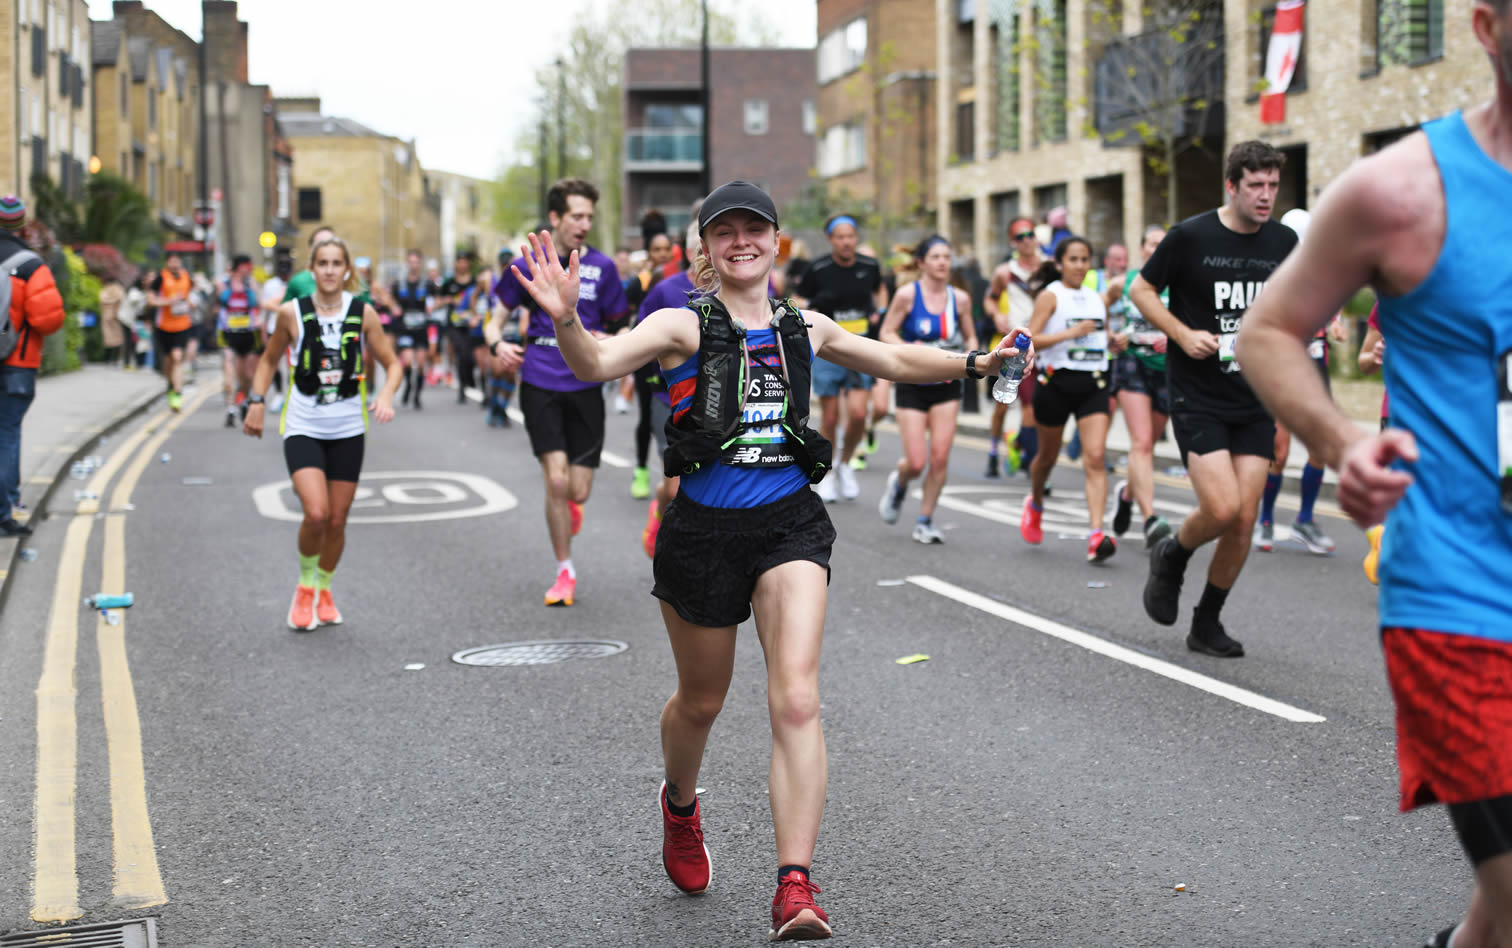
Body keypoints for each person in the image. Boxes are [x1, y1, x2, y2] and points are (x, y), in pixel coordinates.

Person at [507, 179, 1030, 942]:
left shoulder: (806, 326)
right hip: (703, 532)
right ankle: (680, 805)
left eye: (755, 228)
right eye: (725, 231)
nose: (741, 240)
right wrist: (565, 319)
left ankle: (794, 883)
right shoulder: (680, 323)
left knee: (796, 698)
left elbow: (892, 359)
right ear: (707, 249)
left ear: (777, 242)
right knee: (702, 702)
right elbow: (596, 363)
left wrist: (978, 362)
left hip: (790, 523)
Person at [1240, 8, 1512, 943]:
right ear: (1486, 25)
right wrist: (1341, 440)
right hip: (1463, 593)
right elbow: (1269, 330)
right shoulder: (1401, 191)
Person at [1131, 140, 1297, 658]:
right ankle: (1172, 553)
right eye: (1256, 185)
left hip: (1255, 397)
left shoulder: (1284, 242)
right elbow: (1140, 291)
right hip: (1199, 394)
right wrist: (1181, 334)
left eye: (1272, 185)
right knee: (1222, 508)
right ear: (1232, 185)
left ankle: (1206, 622)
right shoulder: (1190, 237)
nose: (1266, 195)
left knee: (1245, 517)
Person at [244, 235, 401, 630]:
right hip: (303, 425)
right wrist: (257, 401)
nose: (330, 270)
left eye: (337, 263)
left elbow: (392, 363)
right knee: (316, 513)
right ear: (311, 270)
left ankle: (325, 587)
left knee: (337, 521)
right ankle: (304, 587)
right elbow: (267, 362)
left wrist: (385, 393)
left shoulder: (362, 312)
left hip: (349, 427)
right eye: (323, 263)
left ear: (347, 270)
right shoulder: (290, 313)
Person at [485, 177, 627, 606]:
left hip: (586, 383)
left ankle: (569, 507)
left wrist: (611, 337)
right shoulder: (530, 264)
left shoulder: (603, 269)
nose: (584, 224)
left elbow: (623, 325)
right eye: (576, 216)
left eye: (589, 216)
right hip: (540, 379)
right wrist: (498, 343)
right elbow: (494, 319)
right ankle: (565, 570)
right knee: (557, 479)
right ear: (556, 218)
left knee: (577, 490)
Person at [1253, 207, 1347, 555]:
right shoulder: (1269, 275)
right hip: (1281, 366)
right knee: (1278, 449)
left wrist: (1334, 324)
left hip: (1315, 361)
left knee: (1320, 446)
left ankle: (1304, 519)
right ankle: (1265, 519)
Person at [1017, 237, 1118, 562]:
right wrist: (1069, 334)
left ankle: (1096, 534)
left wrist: (1114, 341)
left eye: (1085, 259)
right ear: (1060, 263)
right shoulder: (1051, 296)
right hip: (1056, 384)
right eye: (1073, 259)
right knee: (1046, 459)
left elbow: (1100, 336)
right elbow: (1030, 340)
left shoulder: (1096, 299)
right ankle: (1035, 503)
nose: (1079, 265)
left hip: (1093, 384)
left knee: (1095, 457)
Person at [876, 235, 976, 544]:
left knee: (941, 456)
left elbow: (971, 338)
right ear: (921, 263)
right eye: (935, 257)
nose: (943, 262)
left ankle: (925, 520)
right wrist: (911, 349)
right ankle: (900, 483)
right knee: (916, 461)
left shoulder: (959, 299)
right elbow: (886, 332)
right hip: (913, 384)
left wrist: (969, 356)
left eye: (946, 256)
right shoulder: (907, 295)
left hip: (947, 383)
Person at [794, 214, 888, 503]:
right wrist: (812, 312)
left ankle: (846, 463)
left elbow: (880, 290)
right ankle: (829, 471)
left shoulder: (869, 266)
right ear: (831, 240)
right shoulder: (818, 269)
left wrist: (879, 312)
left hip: (860, 346)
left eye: (850, 236)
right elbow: (797, 298)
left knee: (860, 414)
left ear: (856, 238)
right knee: (831, 416)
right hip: (829, 349)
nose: (846, 241)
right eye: (840, 236)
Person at [1106, 226, 1175, 549]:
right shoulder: (1125, 282)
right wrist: (1110, 336)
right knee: (1142, 443)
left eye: (1163, 244)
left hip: (1167, 370)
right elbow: (1099, 308)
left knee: (1150, 445)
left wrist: (1174, 334)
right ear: (1142, 248)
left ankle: (1127, 494)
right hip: (1132, 364)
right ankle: (1150, 519)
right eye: (1152, 244)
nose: (1157, 249)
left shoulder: (1181, 284)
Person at [0, 196, 64, 538]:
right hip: (17, 363)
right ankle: (4, 513)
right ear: (22, 226)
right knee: (6, 434)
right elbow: (48, 320)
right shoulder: (30, 265)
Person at [984, 217, 1044, 477]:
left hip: (1042, 343)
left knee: (1034, 407)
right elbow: (990, 300)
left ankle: (1026, 453)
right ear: (1013, 242)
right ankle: (994, 451)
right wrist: (996, 314)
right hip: (1015, 344)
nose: (1026, 240)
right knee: (1003, 405)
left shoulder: (1049, 267)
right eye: (1020, 237)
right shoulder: (1004, 272)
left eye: (1030, 234)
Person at [626, 229, 677, 498]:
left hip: (675, 358)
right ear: (649, 254)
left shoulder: (680, 279)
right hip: (647, 359)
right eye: (656, 250)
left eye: (665, 249)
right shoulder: (643, 281)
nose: (661, 254)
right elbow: (630, 308)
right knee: (647, 416)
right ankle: (642, 470)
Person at [1356, 303, 1387, 584]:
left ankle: (1383, 536)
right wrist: (1376, 355)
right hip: (1402, 414)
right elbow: (1363, 361)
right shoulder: (1389, 304)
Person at [215, 255, 262, 427]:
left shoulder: (252, 285)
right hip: (229, 334)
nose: (248, 269)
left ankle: (243, 401)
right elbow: (218, 303)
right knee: (230, 370)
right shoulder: (223, 284)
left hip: (248, 334)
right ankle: (230, 408)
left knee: (246, 376)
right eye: (245, 266)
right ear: (237, 267)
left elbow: (259, 304)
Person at [391, 249, 438, 410]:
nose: (414, 265)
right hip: (405, 328)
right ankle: (408, 386)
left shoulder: (428, 284)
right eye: (411, 262)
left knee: (422, 363)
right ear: (407, 263)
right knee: (408, 361)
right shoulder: (399, 283)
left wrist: (433, 308)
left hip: (421, 328)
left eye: (416, 262)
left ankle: (417, 394)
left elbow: (437, 300)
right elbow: (390, 300)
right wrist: (394, 308)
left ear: (420, 264)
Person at [147, 252, 194, 412]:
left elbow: (188, 296)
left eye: (177, 261)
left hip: (182, 325)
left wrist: (190, 304)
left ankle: (177, 393)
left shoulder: (186, 277)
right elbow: (151, 300)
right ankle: (171, 384)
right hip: (164, 326)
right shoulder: (160, 279)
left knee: (178, 357)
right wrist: (168, 302)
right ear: (167, 262)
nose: (175, 264)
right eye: (172, 261)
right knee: (168, 362)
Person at [441, 251, 483, 404]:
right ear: (456, 263)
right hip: (454, 324)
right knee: (460, 353)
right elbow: (439, 299)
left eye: (466, 262)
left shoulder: (474, 282)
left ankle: (470, 379)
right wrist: (448, 300)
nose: (463, 264)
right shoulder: (449, 282)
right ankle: (462, 389)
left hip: (471, 324)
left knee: (471, 356)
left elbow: (481, 297)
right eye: (460, 261)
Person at [98, 274, 127, 367]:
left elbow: (101, 301)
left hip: (106, 317)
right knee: (118, 339)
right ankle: (114, 359)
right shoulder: (119, 290)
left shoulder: (104, 291)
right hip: (116, 317)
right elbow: (123, 301)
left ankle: (107, 359)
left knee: (107, 339)